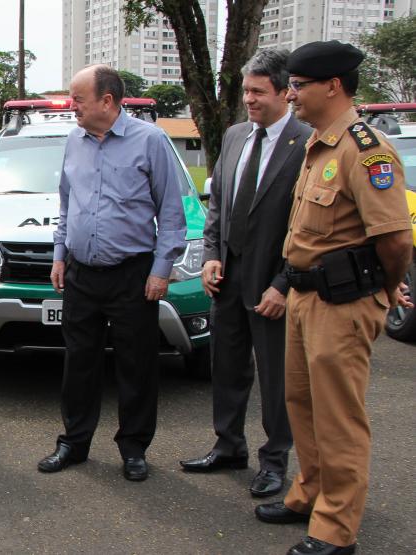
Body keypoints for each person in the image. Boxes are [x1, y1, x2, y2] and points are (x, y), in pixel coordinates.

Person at [253, 41, 413, 555]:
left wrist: (384, 292)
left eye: (299, 85)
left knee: (339, 417)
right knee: (302, 405)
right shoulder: (318, 144)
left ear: (333, 86)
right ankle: (310, 494)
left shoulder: (365, 150)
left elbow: (395, 239)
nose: (292, 93)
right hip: (304, 298)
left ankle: (336, 528)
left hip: (343, 302)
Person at [37, 65, 186, 481]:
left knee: (136, 364)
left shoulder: (150, 140)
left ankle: (134, 447)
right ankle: (74, 442)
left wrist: (160, 271)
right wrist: (59, 255)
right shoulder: (74, 140)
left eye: (78, 98)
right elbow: (67, 203)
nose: (72, 106)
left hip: (133, 274)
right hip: (82, 274)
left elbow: (171, 213)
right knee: (79, 362)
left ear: (107, 100)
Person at [179, 49, 310, 498]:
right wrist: (212, 254)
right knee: (227, 367)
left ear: (284, 92)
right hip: (227, 278)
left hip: (274, 282)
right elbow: (218, 205)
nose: (249, 99)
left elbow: (307, 228)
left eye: (258, 91)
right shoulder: (236, 136)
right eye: (245, 90)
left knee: (276, 378)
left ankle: (275, 461)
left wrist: (283, 282)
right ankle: (228, 445)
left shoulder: (307, 142)